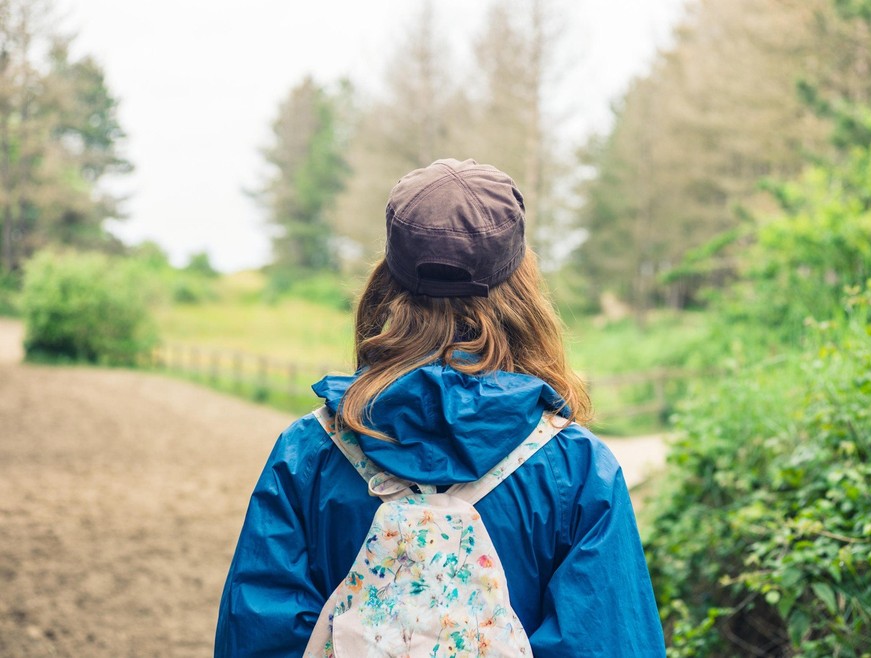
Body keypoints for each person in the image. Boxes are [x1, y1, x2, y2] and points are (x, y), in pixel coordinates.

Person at [214, 158, 666, 657]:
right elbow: (611, 642)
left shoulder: (308, 453)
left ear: (387, 282)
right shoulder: (576, 468)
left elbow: (256, 636)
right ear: (522, 288)